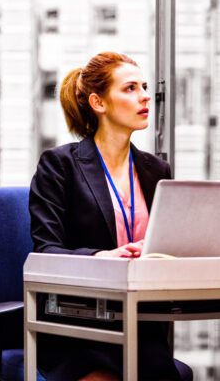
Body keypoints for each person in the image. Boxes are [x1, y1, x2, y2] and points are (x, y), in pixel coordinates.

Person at [29, 52, 183, 381]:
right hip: (77, 324)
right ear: (98, 103)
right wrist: (103, 257)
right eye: (129, 88)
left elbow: (164, 242)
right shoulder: (60, 165)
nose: (144, 96)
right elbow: (45, 251)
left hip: (139, 322)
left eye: (143, 86)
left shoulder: (156, 170)